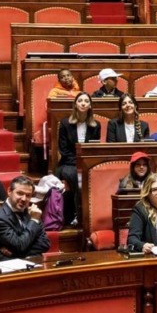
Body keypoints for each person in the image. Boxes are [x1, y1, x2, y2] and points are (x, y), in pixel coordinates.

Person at [0, 174, 49, 260]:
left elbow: (44, 244)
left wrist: (16, 253)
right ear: (9, 191)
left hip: (30, 261)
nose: (24, 199)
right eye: (20, 193)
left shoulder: (33, 212)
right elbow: (19, 245)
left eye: (28, 195)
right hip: (8, 265)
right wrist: (34, 220)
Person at [57, 92, 101, 225]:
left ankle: (91, 214)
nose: (83, 103)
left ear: (90, 106)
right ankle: (79, 214)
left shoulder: (96, 125)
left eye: (86, 101)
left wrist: (85, 163)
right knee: (77, 176)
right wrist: (79, 163)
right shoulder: (65, 123)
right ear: (75, 105)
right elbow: (63, 150)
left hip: (88, 163)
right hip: (68, 163)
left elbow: (94, 148)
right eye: (80, 101)